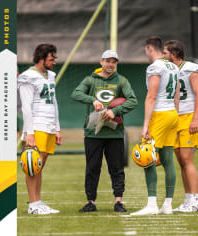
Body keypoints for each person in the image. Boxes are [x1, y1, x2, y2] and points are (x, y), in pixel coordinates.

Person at [71, 50, 138, 213]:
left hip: (115, 133)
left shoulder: (121, 81)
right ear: (101, 62)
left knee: (117, 168)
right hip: (93, 132)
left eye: (114, 62)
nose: (110, 64)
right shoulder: (90, 80)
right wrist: (92, 100)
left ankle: (118, 202)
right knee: (92, 168)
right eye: (108, 61)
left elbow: (133, 100)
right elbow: (76, 94)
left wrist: (115, 111)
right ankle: (91, 202)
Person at [130, 36, 180, 216]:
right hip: (172, 114)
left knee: (147, 158)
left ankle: (152, 205)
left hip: (159, 114)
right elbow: (177, 94)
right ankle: (168, 204)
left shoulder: (155, 67)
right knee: (167, 160)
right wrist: (176, 115)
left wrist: (145, 124)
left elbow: (151, 96)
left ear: (150, 48)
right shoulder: (173, 66)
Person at [18, 43, 62, 214]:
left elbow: (54, 102)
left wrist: (57, 128)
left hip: (49, 124)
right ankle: (33, 204)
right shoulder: (28, 76)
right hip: (37, 125)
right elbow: (26, 107)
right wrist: (29, 133)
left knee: (39, 165)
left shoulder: (50, 75)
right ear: (41, 59)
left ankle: (38, 202)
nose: (54, 62)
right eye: (51, 59)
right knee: (32, 165)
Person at [163, 40, 198, 212]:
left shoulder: (191, 68)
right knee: (181, 162)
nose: (163, 56)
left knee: (187, 160)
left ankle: (195, 199)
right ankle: (188, 200)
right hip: (175, 119)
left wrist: (195, 118)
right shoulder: (168, 70)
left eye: (165, 53)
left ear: (174, 53)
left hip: (189, 118)